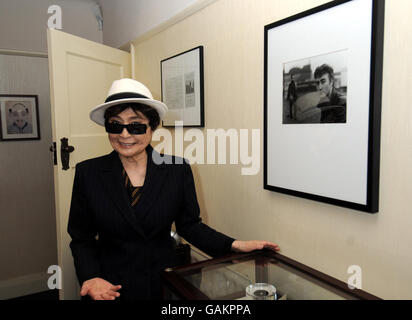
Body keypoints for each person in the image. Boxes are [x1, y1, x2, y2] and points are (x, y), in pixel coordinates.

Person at [68, 78, 280, 300]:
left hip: (162, 283)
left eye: (136, 125)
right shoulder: (88, 173)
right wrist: (90, 277)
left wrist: (235, 245)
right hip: (110, 287)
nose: (124, 134)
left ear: (152, 127)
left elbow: (190, 226)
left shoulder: (177, 170)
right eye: (115, 124)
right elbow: (81, 238)